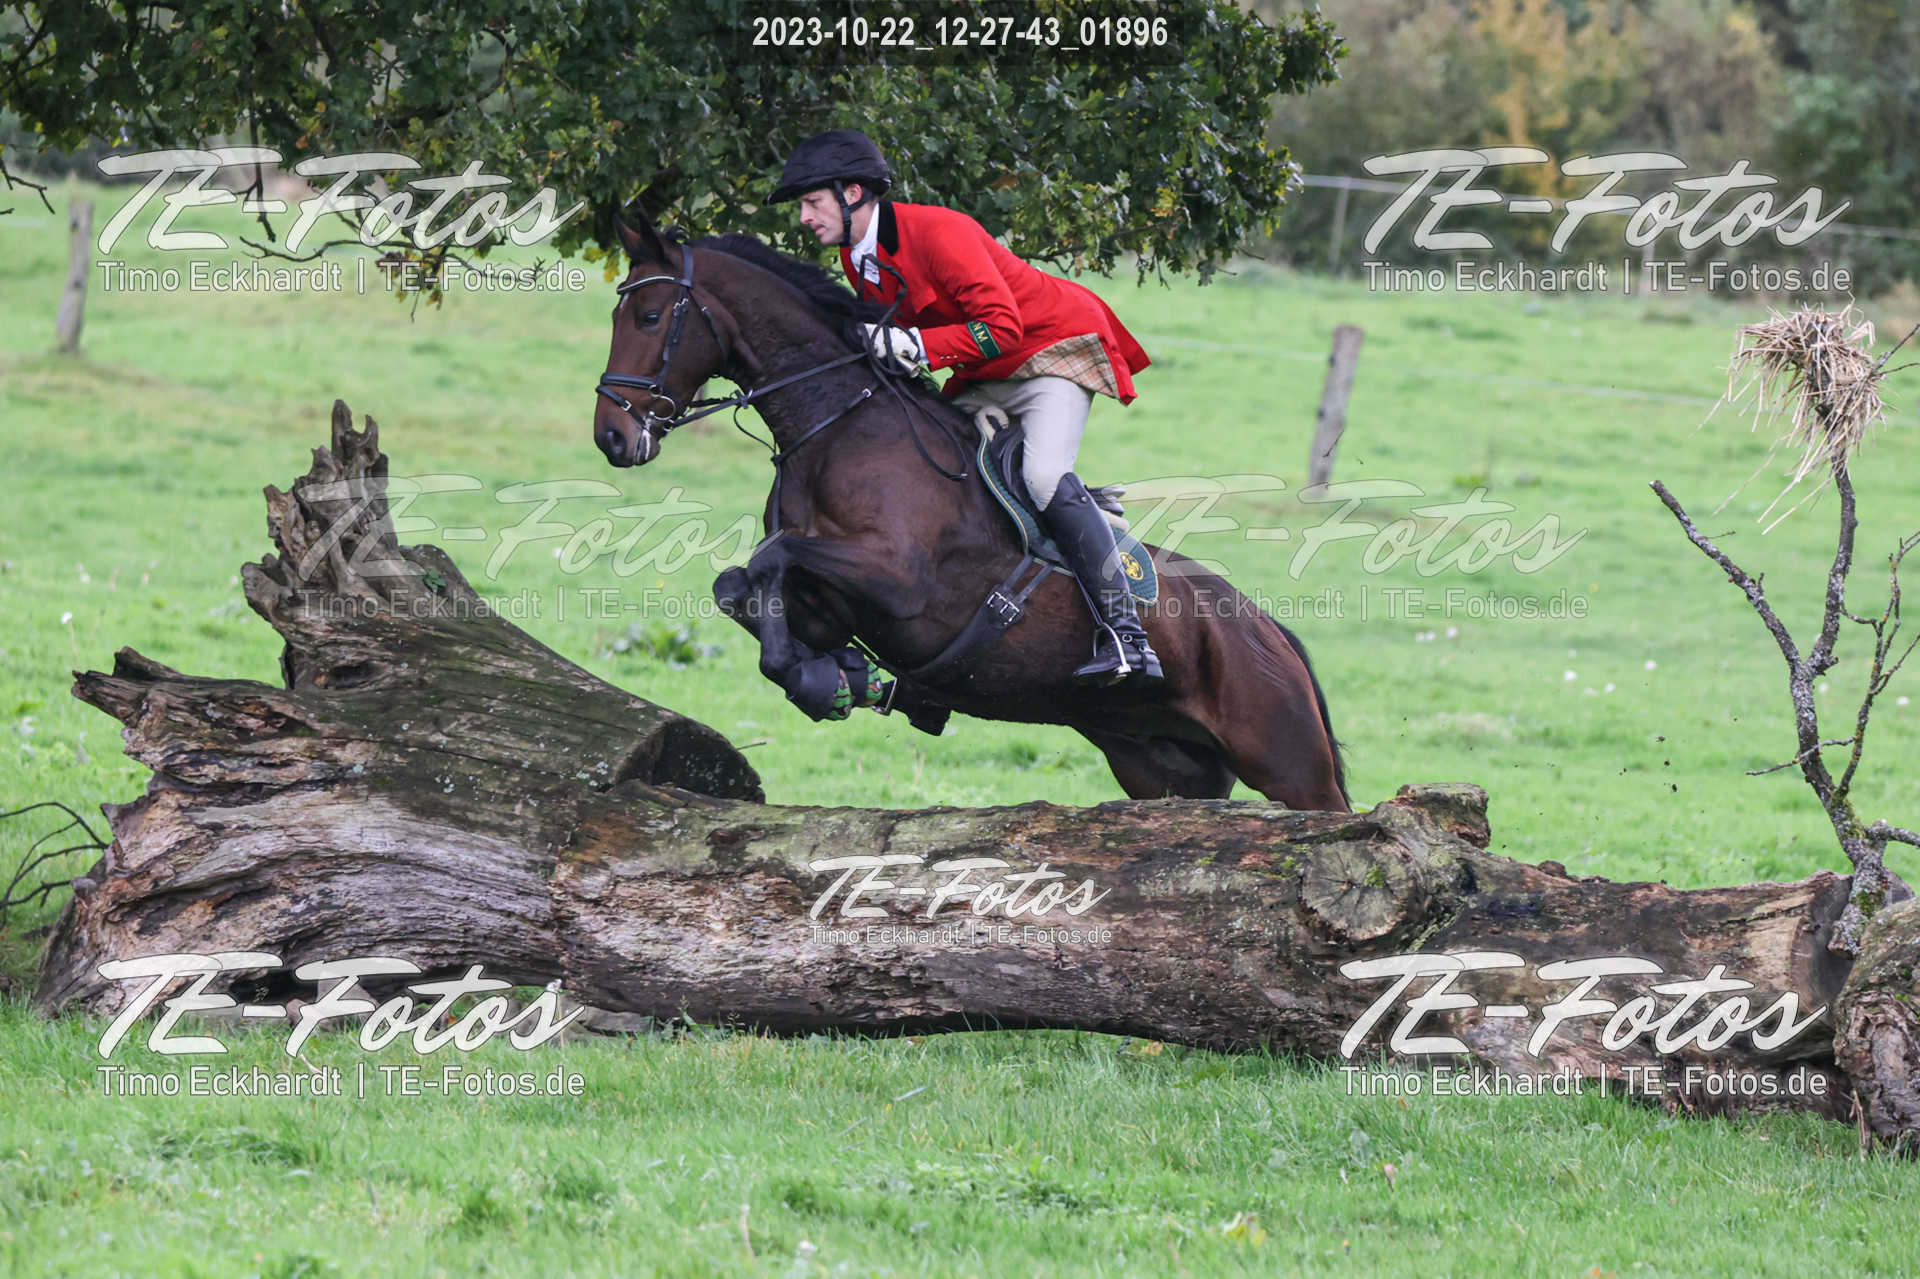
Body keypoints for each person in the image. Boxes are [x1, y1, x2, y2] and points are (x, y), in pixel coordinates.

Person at [768, 129, 1161, 686]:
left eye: (812, 202)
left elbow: (1003, 328)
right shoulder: (858, 258)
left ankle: (1128, 636)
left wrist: (915, 345)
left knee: (1044, 476)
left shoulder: (940, 231)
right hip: (984, 372)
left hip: (1049, 353)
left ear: (852, 193)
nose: (804, 217)